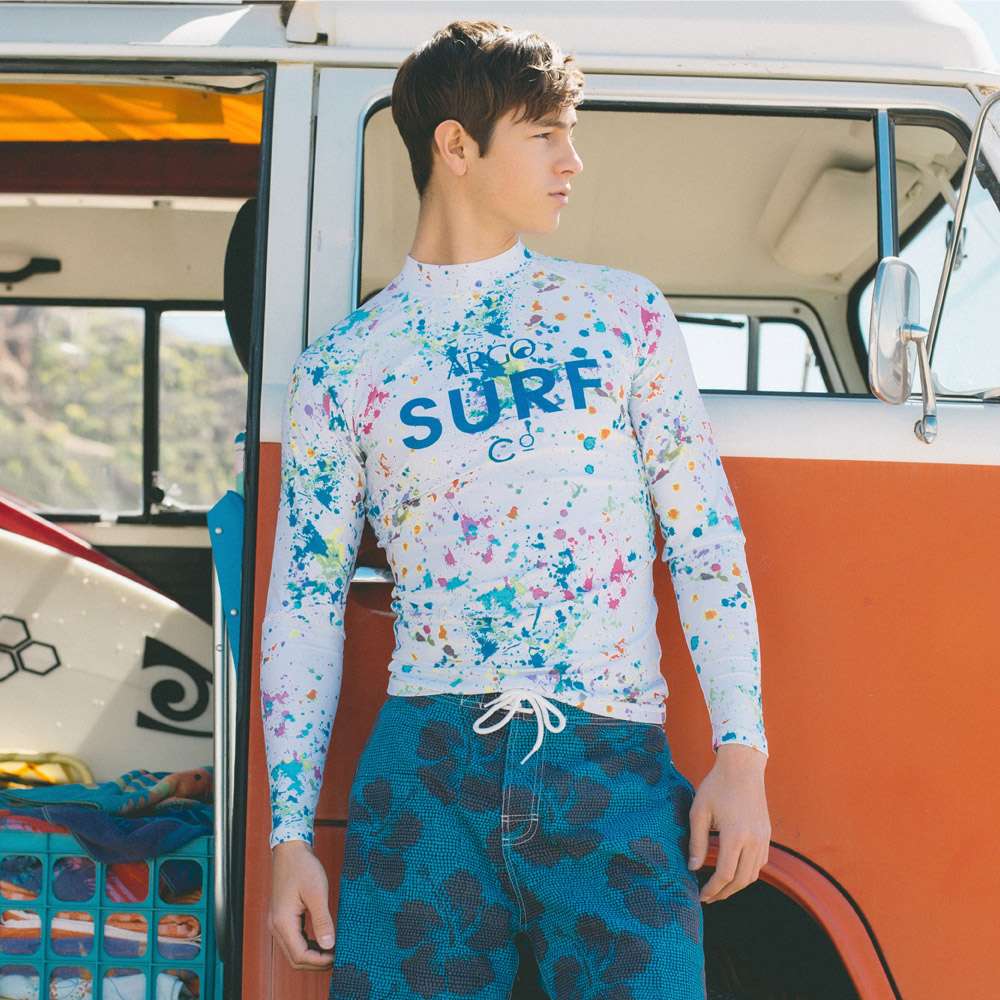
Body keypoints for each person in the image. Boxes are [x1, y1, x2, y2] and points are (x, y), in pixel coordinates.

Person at [261, 20, 769, 1000]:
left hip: (612, 760)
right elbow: (304, 608)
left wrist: (740, 752)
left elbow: (705, 540)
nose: (572, 160)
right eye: (544, 134)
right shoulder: (344, 367)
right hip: (427, 770)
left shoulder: (621, 314)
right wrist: (290, 837)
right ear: (455, 145)